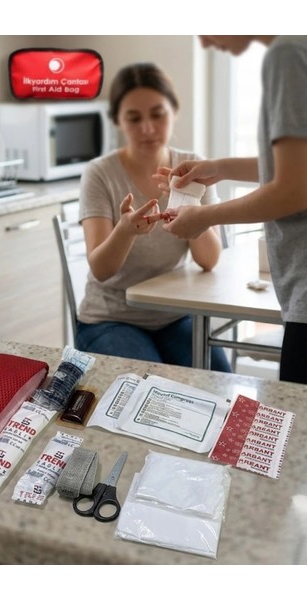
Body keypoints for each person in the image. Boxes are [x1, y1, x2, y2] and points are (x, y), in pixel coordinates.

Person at [153, 36, 307, 384]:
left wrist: (204, 217)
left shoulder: (287, 54)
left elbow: (294, 190)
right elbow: (297, 168)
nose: (205, 40)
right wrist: (221, 168)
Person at [75, 62, 232, 372]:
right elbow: (101, 270)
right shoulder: (99, 173)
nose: (147, 128)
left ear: (174, 111)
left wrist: (191, 207)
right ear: (118, 121)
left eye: (158, 114)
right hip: (111, 319)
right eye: (134, 118)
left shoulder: (193, 166)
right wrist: (125, 232)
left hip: (175, 314)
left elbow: (209, 260)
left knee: (220, 381)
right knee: (151, 386)